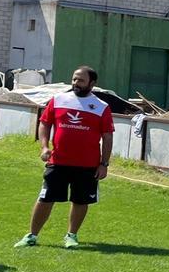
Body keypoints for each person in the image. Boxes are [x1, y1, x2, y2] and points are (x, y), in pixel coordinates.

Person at [15, 65, 114, 249]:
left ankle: (71, 236)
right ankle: (31, 236)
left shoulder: (101, 107)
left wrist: (104, 164)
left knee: (81, 200)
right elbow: (45, 123)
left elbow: (108, 136)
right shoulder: (58, 99)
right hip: (58, 162)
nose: (76, 83)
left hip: (87, 165)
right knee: (45, 198)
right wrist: (44, 146)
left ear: (92, 83)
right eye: (74, 79)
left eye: (81, 80)